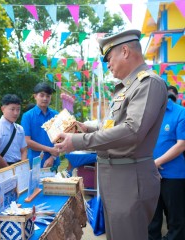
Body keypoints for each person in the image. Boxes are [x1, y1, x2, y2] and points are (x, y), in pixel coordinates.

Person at [55, 29, 168, 240]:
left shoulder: (148, 83)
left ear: (125, 51)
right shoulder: (126, 88)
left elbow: (132, 131)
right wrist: (87, 129)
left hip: (129, 179)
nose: (108, 65)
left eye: (109, 58)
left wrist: (79, 141)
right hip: (116, 178)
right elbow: (113, 126)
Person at [148, 88, 185, 240]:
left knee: (176, 220)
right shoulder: (148, 114)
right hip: (150, 174)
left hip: (173, 176)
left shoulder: (180, 112)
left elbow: (181, 145)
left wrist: (157, 162)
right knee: (152, 219)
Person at [21, 82, 60, 168]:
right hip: (35, 163)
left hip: (53, 163)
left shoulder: (56, 115)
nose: (45, 98)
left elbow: (61, 140)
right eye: (42, 95)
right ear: (35, 96)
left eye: (48, 96)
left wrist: (52, 157)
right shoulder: (27, 116)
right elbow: (27, 142)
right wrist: (50, 149)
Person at [0, 94, 27, 167]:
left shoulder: (20, 128)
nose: (15, 113)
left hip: (18, 166)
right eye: (12, 109)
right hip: (1, 167)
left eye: (18, 109)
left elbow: (24, 150)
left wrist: (22, 166)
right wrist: (9, 169)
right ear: (3, 109)